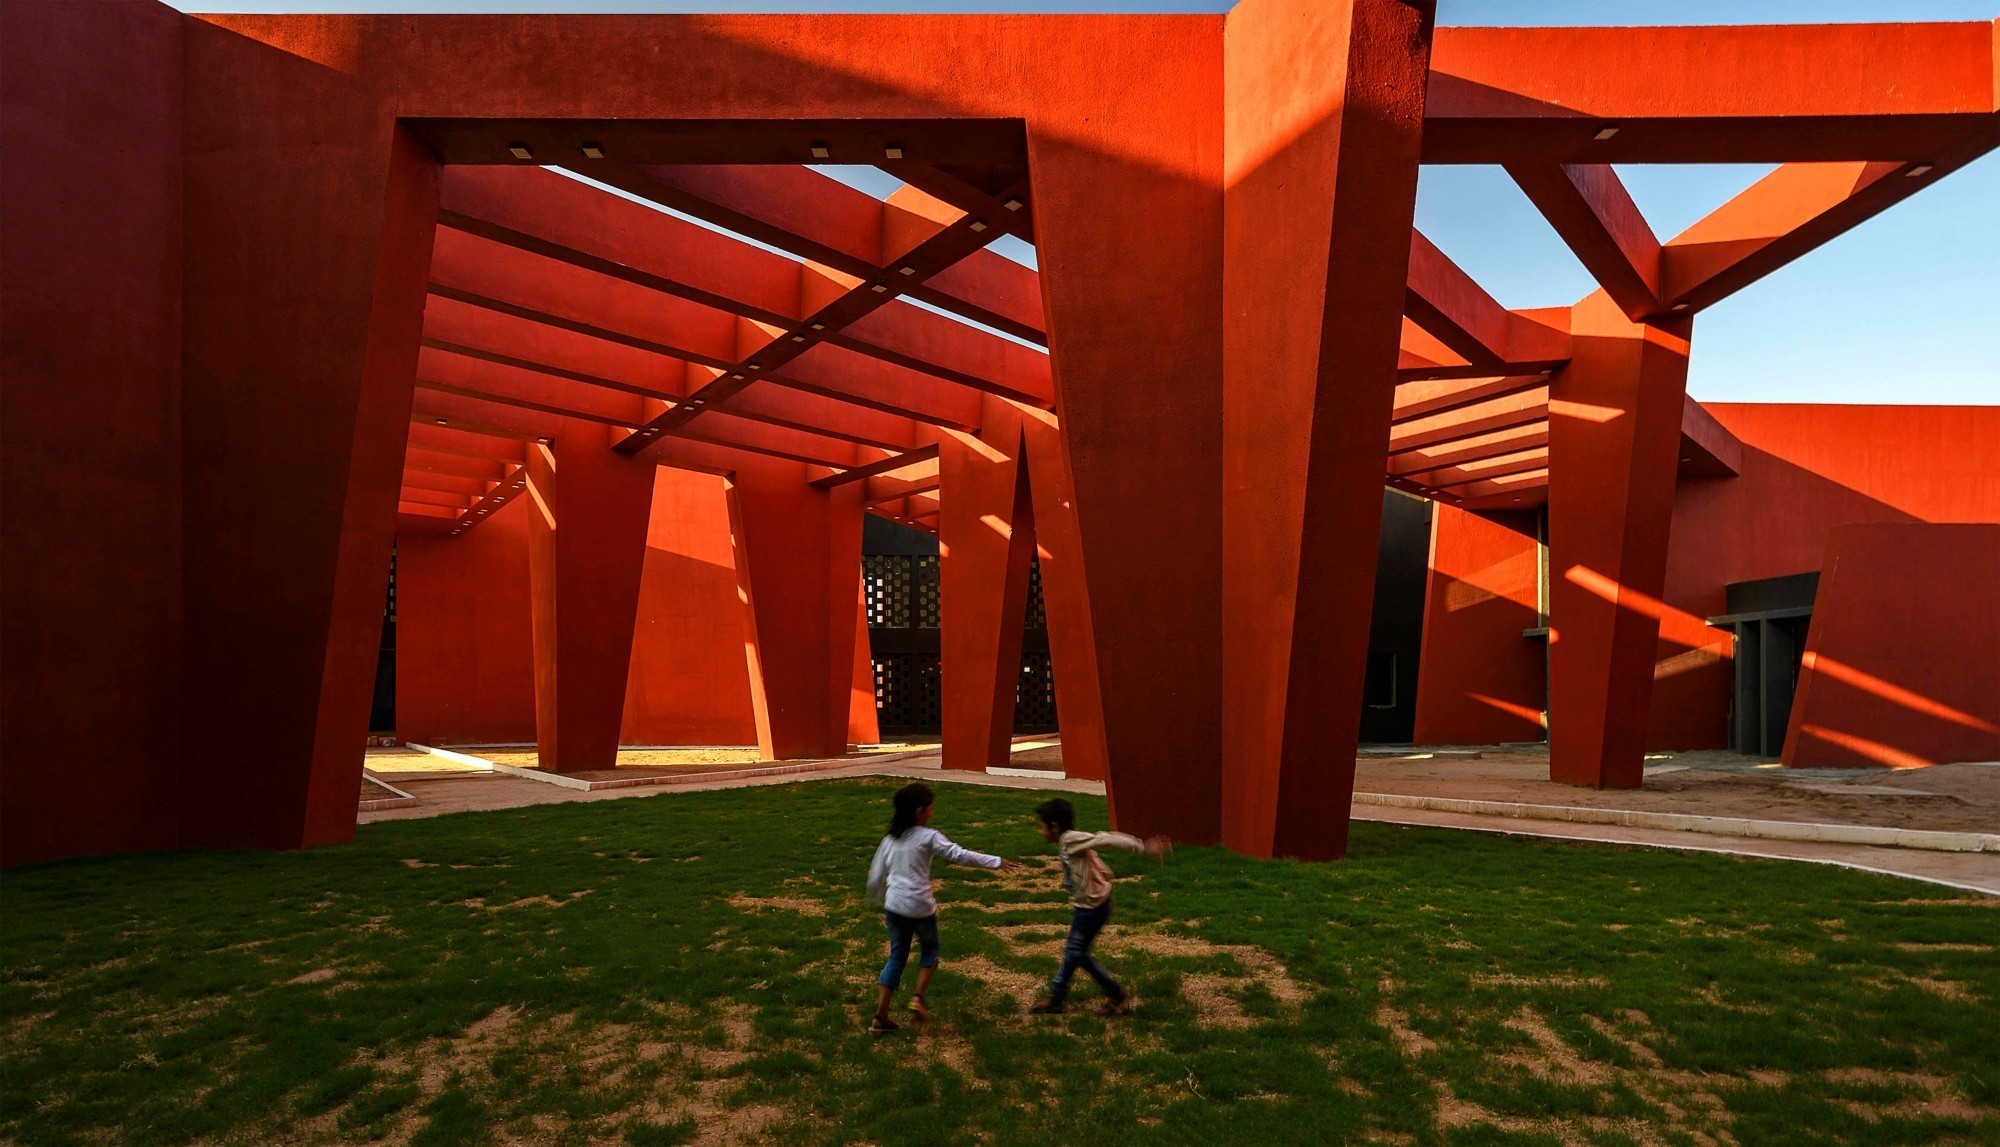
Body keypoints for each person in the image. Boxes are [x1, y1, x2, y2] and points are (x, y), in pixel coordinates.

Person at [864, 782, 1019, 1035]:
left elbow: (875, 876)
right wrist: (996, 862)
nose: (932, 812)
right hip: (920, 909)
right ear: (919, 811)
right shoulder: (929, 837)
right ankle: (918, 997)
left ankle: (880, 1017)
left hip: (895, 908)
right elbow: (959, 855)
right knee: (930, 951)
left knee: (896, 957)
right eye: (931, 808)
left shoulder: (890, 840)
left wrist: (877, 899)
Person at [1027, 797, 1169, 1016]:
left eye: (1041, 826)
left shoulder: (1070, 839)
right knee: (1075, 952)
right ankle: (1058, 997)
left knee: (1076, 953)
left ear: (1054, 827)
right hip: (1092, 906)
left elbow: (1104, 839)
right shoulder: (1070, 841)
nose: (1039, 831)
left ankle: (1114, 993)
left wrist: (1141, 847)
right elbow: (1095, 864)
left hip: (1090, 909)